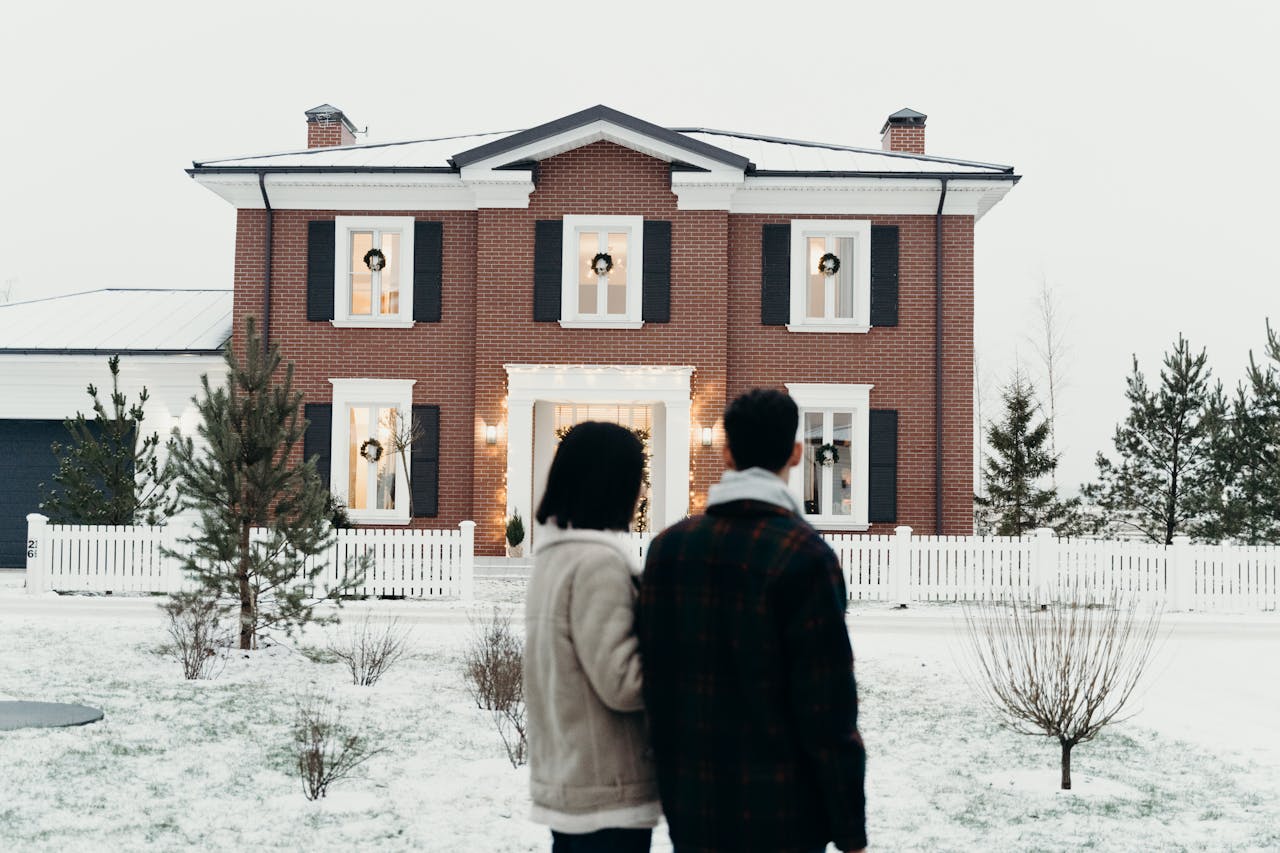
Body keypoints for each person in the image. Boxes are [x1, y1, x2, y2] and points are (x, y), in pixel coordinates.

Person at [638, 388, 868, 853]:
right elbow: (827, 708)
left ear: (727, 454)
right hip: (784, 814)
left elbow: (655, 683)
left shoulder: (667, 550)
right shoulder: (805, 556)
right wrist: (850, 832)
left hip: (692, 805)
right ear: (797, 453)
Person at [524, 421, 661, 853]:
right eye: (636, 479)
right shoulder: (599, 564)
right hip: (607, 788)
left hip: (570, 776)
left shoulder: (553, 559)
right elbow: (623, 683)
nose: (640, 492)